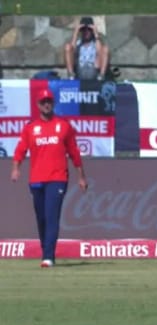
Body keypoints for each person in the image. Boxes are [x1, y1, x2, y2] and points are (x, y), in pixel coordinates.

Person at [11, 88, 88, 268]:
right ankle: (46, 251)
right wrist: (16, 169)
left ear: (53, 104)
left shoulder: (63, 126)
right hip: (36, 178)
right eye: (43, 102)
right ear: (38, 105)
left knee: (52, 215)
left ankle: (48, 257)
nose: (46, 104)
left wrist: (81, 177)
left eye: (49, 101)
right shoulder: (31, 128)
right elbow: (20, 150)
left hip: (58, 177)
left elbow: (74, 153)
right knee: (42, 218)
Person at [64, 16, 110, 80]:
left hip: (93, 70)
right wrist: (76, 31)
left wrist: (95, 33)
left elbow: (99, 51)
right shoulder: (78, 43)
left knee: (105, 48)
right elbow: (71, 50)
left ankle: (101, 76)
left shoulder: (96, 43)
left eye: (89, 30)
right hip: (79, 69)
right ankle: (71, 76)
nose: (86, 32)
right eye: (84, 30)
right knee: (68, 46)